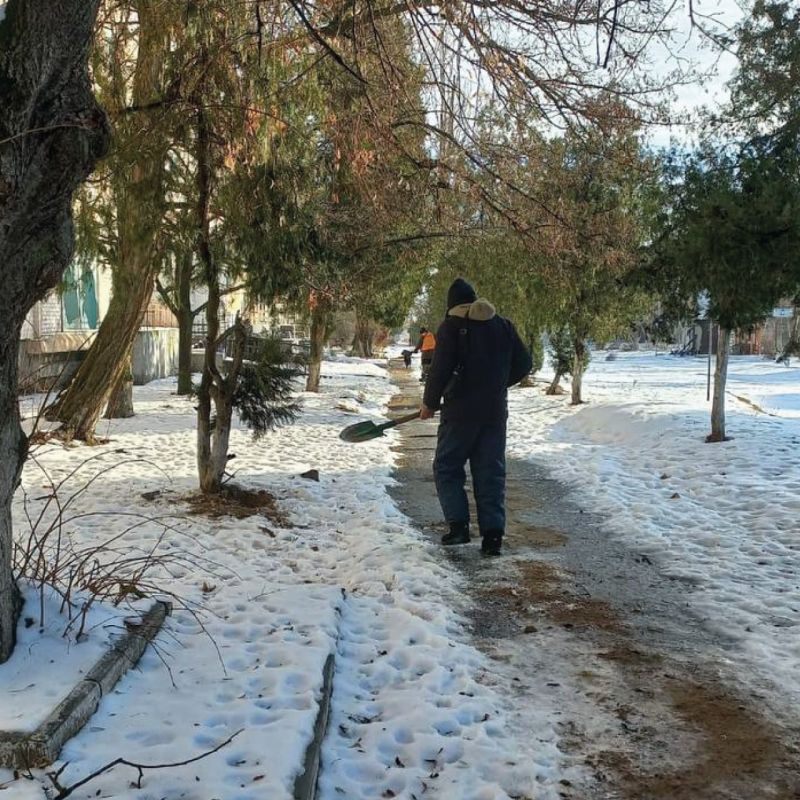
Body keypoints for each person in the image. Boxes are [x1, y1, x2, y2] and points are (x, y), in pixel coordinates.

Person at [420, 278, 532, 556]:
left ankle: (458, 528)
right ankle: (493, 536)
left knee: (447, 467)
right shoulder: (503, 325)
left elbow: (440, 370)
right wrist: (496, 385)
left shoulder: (451, 327)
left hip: (459, 412)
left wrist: (430, 403)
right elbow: (524, 364)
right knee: (490, 470)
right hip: (494, 413)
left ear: (451, 305)